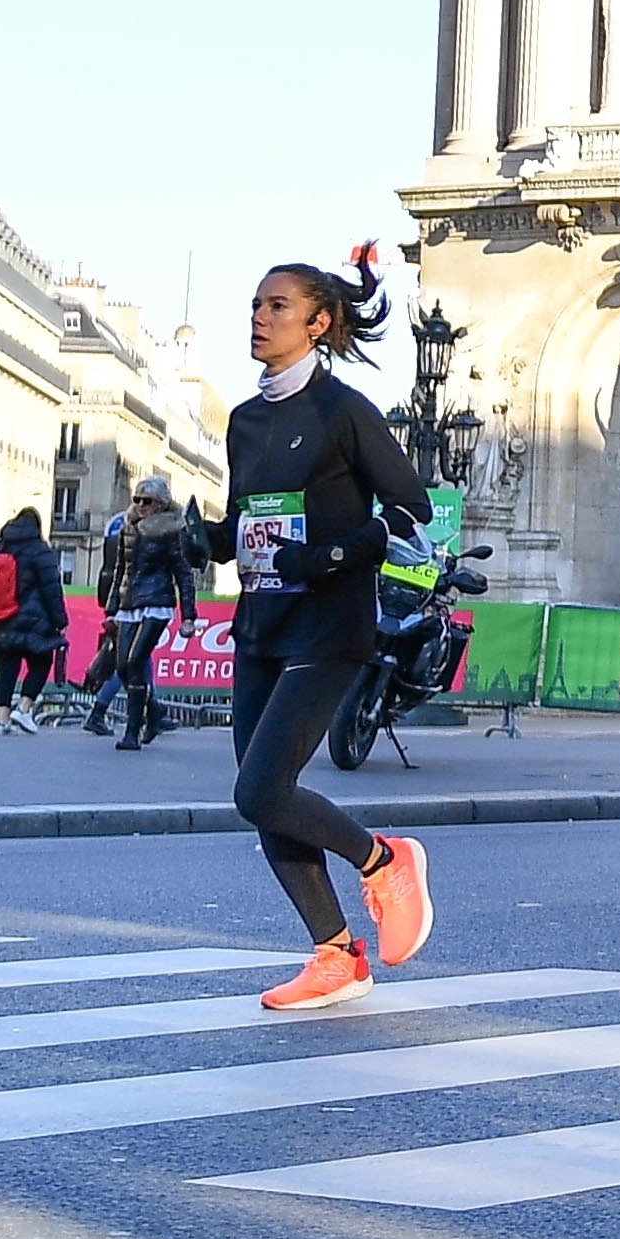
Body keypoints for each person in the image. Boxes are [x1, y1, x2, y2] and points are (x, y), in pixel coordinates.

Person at [218, 256, 437, 1011]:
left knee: (260, 786)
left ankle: (384, 860)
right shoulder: (245, 419)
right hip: (261, 623)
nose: (258, 316)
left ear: (317, 323)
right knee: (263, 800)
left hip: (329, 623)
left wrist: (331, 555)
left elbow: (411, 509)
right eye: (254, 303)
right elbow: (244, 518)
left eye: (276, 306)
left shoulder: (343, 410)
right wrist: (206, 540)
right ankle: (336, 954)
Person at [91, 476, 211, 752]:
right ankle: (153, 710)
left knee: (135, 661)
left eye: (148, 501)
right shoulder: (126, 527)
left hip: (158, 602)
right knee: (122, 667)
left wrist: (188, 616)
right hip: (128, 604)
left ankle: (132, 732)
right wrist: (111, 610)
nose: (141, 505)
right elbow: (119, 569)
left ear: (161, 503)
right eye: (137, 500)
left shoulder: (172, 529)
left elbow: (184, 575)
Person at [0, 505, 65, 733]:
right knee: (42, 662)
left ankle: (1, 720)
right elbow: (52, 589)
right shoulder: (40, 550)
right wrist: (60, 621)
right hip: (31, 619)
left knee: (6, 667)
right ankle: (24, 708)